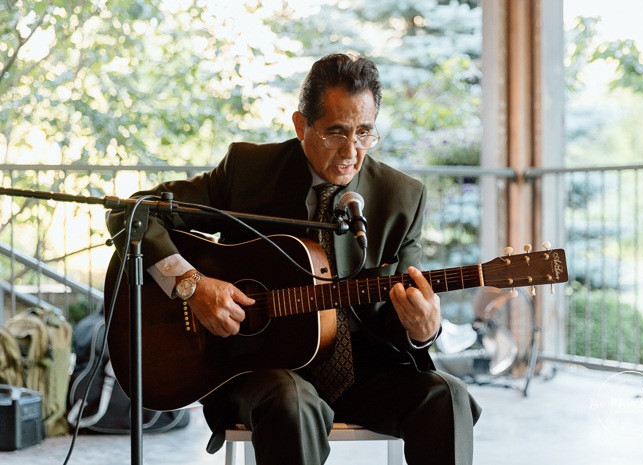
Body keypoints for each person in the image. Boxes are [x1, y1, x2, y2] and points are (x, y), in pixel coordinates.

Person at [107, 53, 481, 464]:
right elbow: (134, 212)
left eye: (365, 133)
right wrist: (191, 284)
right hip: (263, 374)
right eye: (335, 133)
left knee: (447, 395)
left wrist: (423, 329)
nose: (351, 152)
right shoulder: (249, 171)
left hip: (366, 374)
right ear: (301, 125)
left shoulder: (402, 197)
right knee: (292, 401)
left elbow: (405, 311)